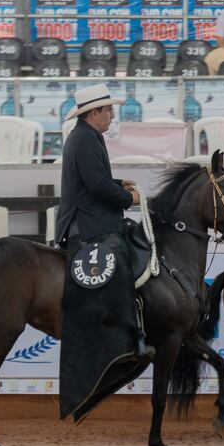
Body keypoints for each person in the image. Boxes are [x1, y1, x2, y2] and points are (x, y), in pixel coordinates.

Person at [54, 84, 153, 421]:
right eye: (108, 110)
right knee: (121, 262)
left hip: (92, 215)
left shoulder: (85, 137)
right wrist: (128, 199)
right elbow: (95, 186)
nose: (112, 114)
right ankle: (128, 340)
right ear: (93, 113)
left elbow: (98, 180)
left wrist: (118, 182)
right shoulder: (84, 139)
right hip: (89, 224)